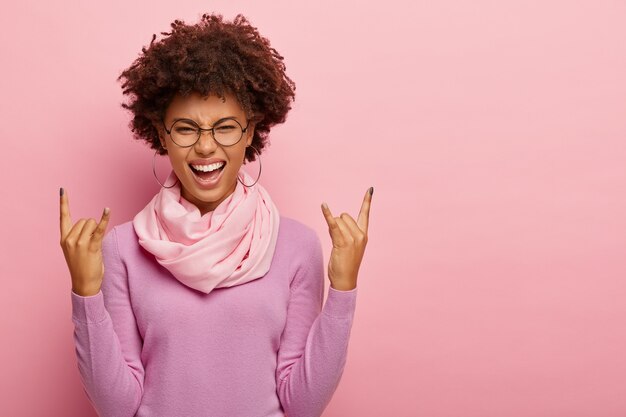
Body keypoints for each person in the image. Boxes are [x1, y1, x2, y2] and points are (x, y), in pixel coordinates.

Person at [59, 12, 372, 417]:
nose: (206, 147)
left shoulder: (297, 246)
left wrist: (343, 289)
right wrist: (85, 293)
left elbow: (303, 405)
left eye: (225, 127)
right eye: (186, 128)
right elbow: (118, 408)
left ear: (250, 131)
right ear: (160, 134)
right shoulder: (121, 248)